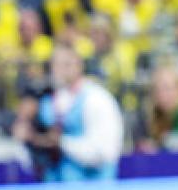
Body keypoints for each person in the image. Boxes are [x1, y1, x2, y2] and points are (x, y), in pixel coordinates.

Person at [16, 45, 123, 182]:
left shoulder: (97, 99)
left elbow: (104, 153)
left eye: (66, 64)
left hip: (92, 188)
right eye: (54, 65)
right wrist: (28, 131)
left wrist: (61, 143)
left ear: (79, 65)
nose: (59, 70)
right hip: (55, 188)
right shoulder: (47, 101)